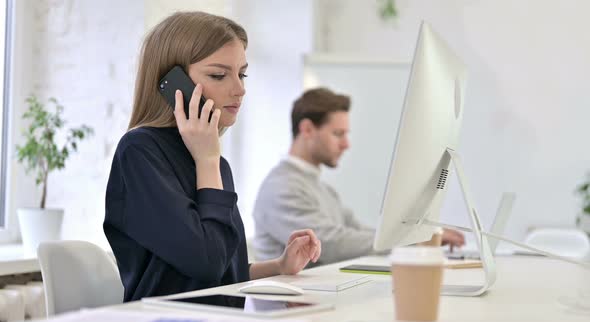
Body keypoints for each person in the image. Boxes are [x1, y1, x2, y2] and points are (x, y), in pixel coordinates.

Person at [103, 12, 321, 302]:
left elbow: (221, 268)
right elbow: (205, 263)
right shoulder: (140, 152)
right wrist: (207, 161)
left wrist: (280, 266)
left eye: (241, 73)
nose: (240, 89)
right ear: (174, 83)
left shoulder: (214, 162)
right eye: (219, 75)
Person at [252, 87, 464, 265]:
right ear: (307, 129)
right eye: (338, 134)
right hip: (289, 309)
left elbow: (359, 232)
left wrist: (417, 234)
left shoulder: (323, 190)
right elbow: (331, 244)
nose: (346, 144)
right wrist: (412, 240)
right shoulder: (281, 188)